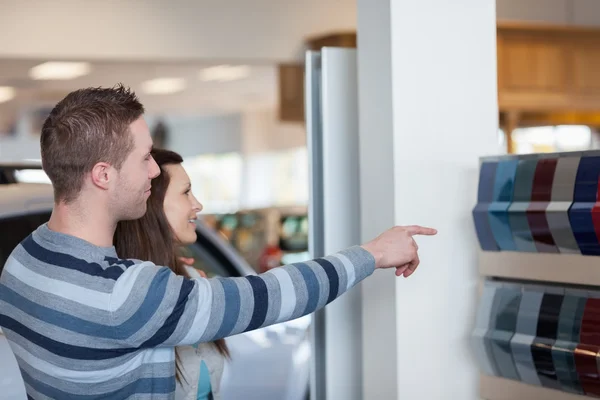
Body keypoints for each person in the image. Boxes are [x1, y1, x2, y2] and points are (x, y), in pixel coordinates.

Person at [0, 85, 436, 399]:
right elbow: (268, 296)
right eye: (145, 157)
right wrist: (372, 253)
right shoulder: (126, 294)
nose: (154, 171)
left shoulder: (24, 260)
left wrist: (173, 290)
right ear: (102, 175)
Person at [113, 148, 228, 399]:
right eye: (186, 192)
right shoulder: (123, 295)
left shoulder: (192, 279)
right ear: (152, 205)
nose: (197, 204)